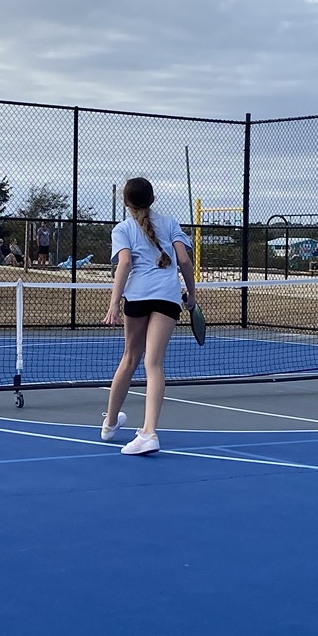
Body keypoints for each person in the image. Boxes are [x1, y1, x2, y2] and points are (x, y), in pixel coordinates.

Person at [100, 177, 194, 456]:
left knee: (130, 358)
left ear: (126, 203)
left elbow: (125, 263)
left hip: (137, 297)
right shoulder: (171, 222)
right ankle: (148, 431)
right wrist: (192, 294)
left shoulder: (122, 229)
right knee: (153, 364)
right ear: (152, 200)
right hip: (168, 297)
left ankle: (109, 424)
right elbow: (185, 260)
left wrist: (114, 303)